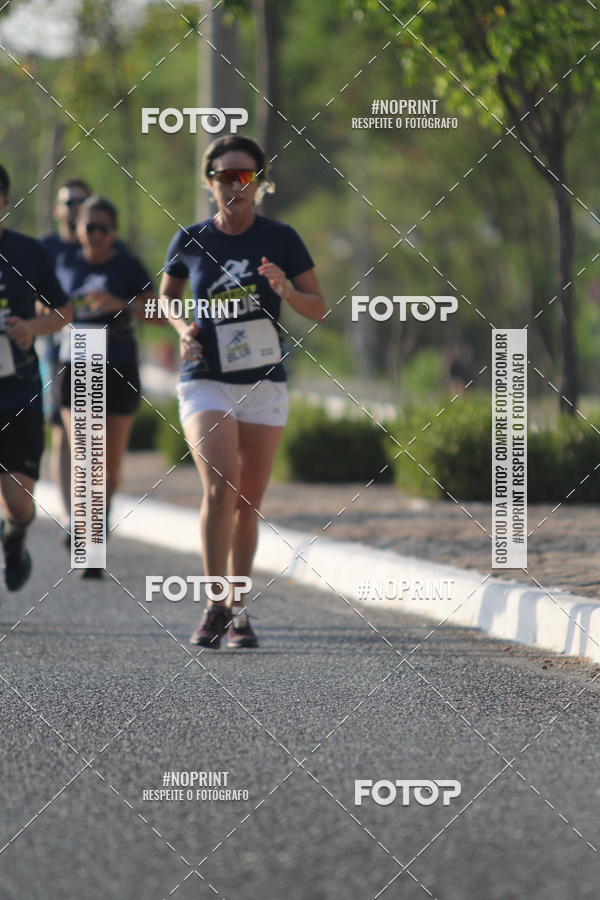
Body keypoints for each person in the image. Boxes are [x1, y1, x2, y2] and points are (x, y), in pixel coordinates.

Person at [160, 135, 326, 649]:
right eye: (226, 176)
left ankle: (240, 608)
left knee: (247, 505)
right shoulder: (189, 239)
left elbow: (318, 307)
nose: (236, 185)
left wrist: (285, 291)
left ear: (259, 182)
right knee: (220, 487)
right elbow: (166, 299)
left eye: (246, 176)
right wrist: (182, 327)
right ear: (208, 181)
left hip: (263, 383)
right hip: (205, 378)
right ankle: (214, 603)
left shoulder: (281, 238)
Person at [56, 195, 154, 578]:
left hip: (120, 361)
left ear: (114, 232)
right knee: (86, 455)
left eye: (103, 228)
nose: (95, 235)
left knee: (109, 466)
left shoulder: (128, 266)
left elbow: (160, 313)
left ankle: (98, 524)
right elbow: (41, 308)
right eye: (88, 227)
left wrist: (120, 303)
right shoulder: (63, 264)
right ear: (77, 227)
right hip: (77, 356)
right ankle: (89, 543)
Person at [0, 164, 73, 591]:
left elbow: (65, 312)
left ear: (6, 201)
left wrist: (32, 328)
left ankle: (15, 537)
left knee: (19, 501)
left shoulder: (28, 253)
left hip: (19, 391)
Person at [39, 178, 91, 532]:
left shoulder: (99, 244)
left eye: (81, 202)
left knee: (88, 434)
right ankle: (72, 513)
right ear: (57, 209)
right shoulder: (45, 249)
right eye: (68, 202)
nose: (74, 209)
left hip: (100, 347)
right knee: (62, 431)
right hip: (56, 347)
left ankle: (88, 512)